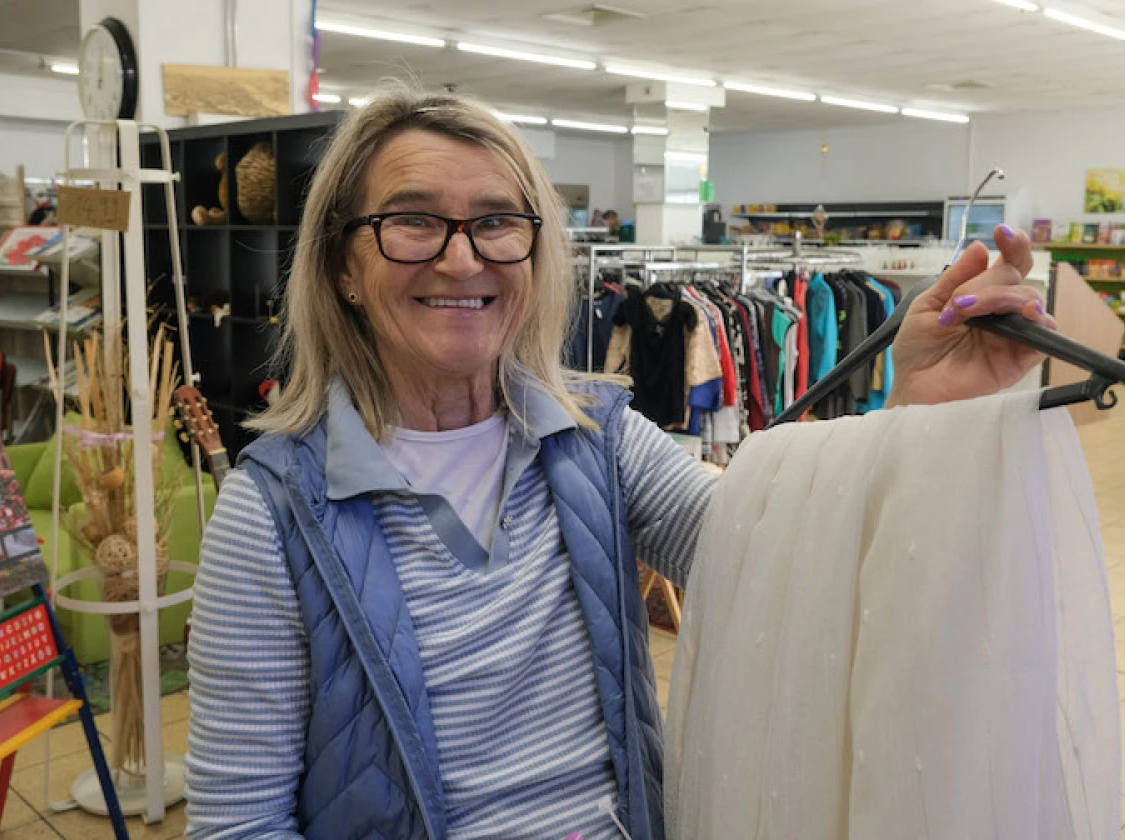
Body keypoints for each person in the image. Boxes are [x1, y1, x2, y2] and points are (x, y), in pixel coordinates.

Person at [183, 87, 1056, 840]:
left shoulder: (593, 439)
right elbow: (239, 819)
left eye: (496, 221)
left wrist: (918, 409)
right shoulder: (274, 515)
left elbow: (786, 560)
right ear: (342, 263)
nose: (462, 256)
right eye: (413, 221)